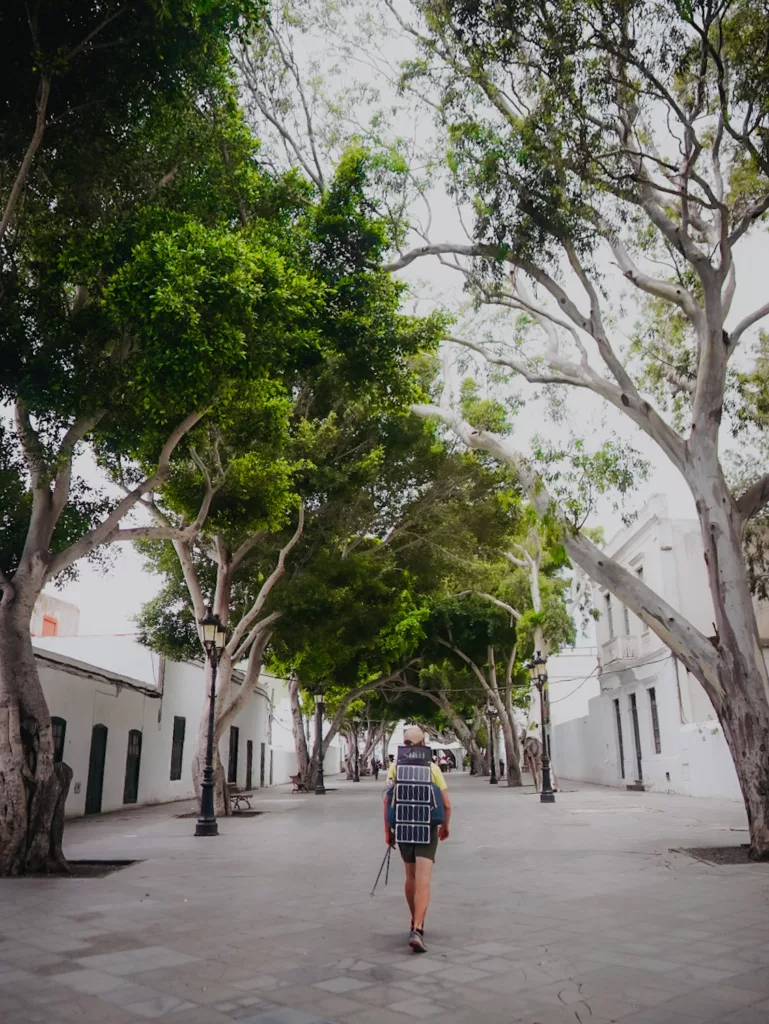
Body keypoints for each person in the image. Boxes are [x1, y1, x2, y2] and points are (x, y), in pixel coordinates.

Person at [384, 726, 451, 954]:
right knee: (423, 880)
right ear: (424, 744)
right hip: (427, 829)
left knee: (410, 877)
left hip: (403, 829)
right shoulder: (432, 768)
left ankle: (413, 920)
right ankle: (418, 928)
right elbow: (446, 804)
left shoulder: (395, 767)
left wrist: (388, 831)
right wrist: (445, 826)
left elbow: (388, 801)